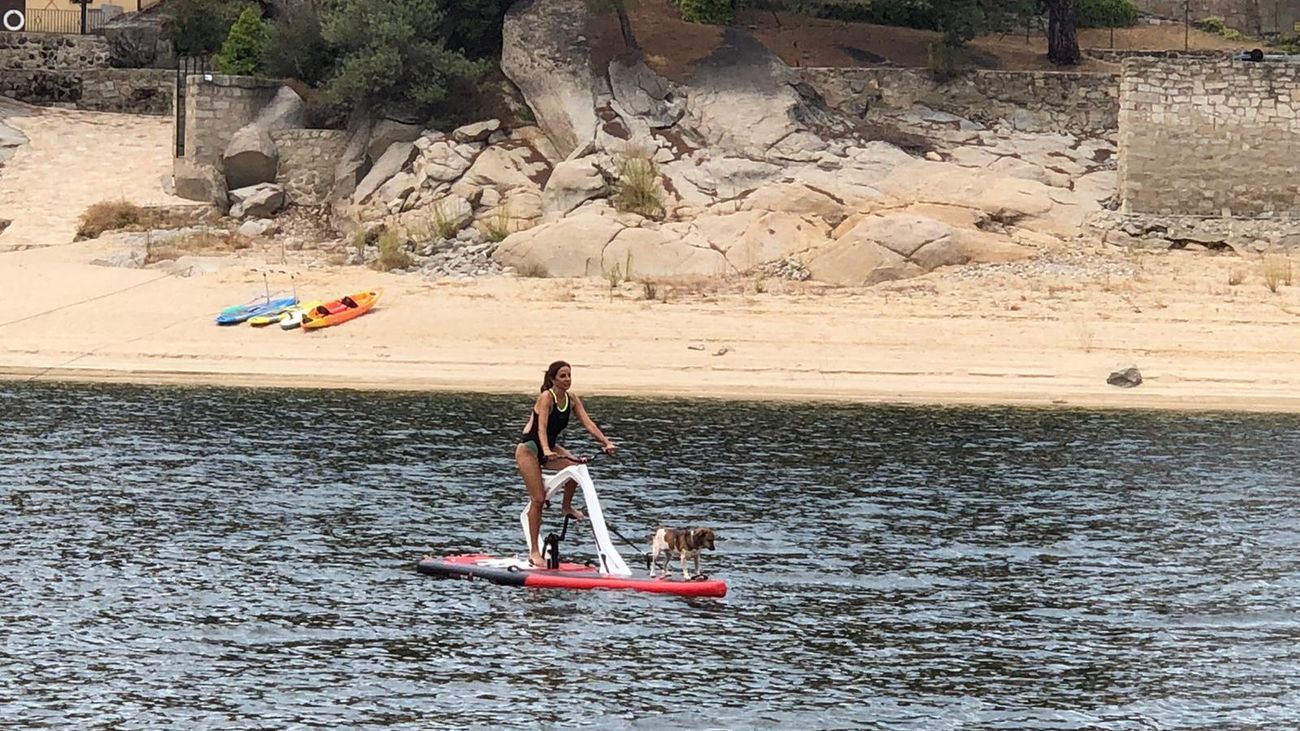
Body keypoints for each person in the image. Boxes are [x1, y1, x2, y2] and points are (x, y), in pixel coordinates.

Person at [516, 360, 618, 568]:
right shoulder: (547, 397)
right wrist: (546, 451)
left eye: (569, 375)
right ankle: (534, 552)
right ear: (553, 379)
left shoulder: (571, 399)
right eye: (562, 376)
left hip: (550, 447)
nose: (567, 379)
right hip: (530, 449)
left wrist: (606, 442)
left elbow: (588, 424)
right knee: (538, 499)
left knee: (576, 467)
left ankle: (566, 506)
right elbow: (541, 428)